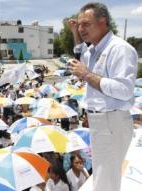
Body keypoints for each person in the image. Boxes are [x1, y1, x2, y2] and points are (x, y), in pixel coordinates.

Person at [67, 3, 138, 191]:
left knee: (105, 182)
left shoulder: (120, 49)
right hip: (102, 121)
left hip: (111, 121)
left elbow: (125, 90)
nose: (81, 29)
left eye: (85, 24)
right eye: (79, 25)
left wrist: (86, 74)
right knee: (103, 177)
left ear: (103, 22)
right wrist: (74, 31)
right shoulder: (94, 49)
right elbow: (79, 52)